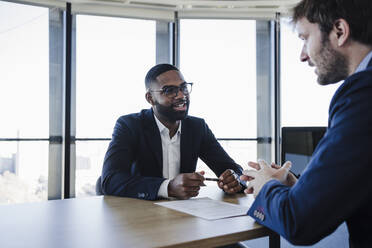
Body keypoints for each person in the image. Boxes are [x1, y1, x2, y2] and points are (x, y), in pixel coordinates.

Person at [240, 0, 372, 247]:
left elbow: (298, 222)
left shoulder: (363, 93)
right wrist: (303, 187)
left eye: (304, 38)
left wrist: (266, 185)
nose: (302, 55)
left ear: (339, 32)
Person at [101, 64, 244, 200]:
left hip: (182, 213)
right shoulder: (130, 125)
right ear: (150, 98)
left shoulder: (197, 127)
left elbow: (234, 170)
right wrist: (167, 187)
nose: (181, 96)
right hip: (139, 213)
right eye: (169, 90)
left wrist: (234, 179)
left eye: (184, 88)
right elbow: (110, 180)